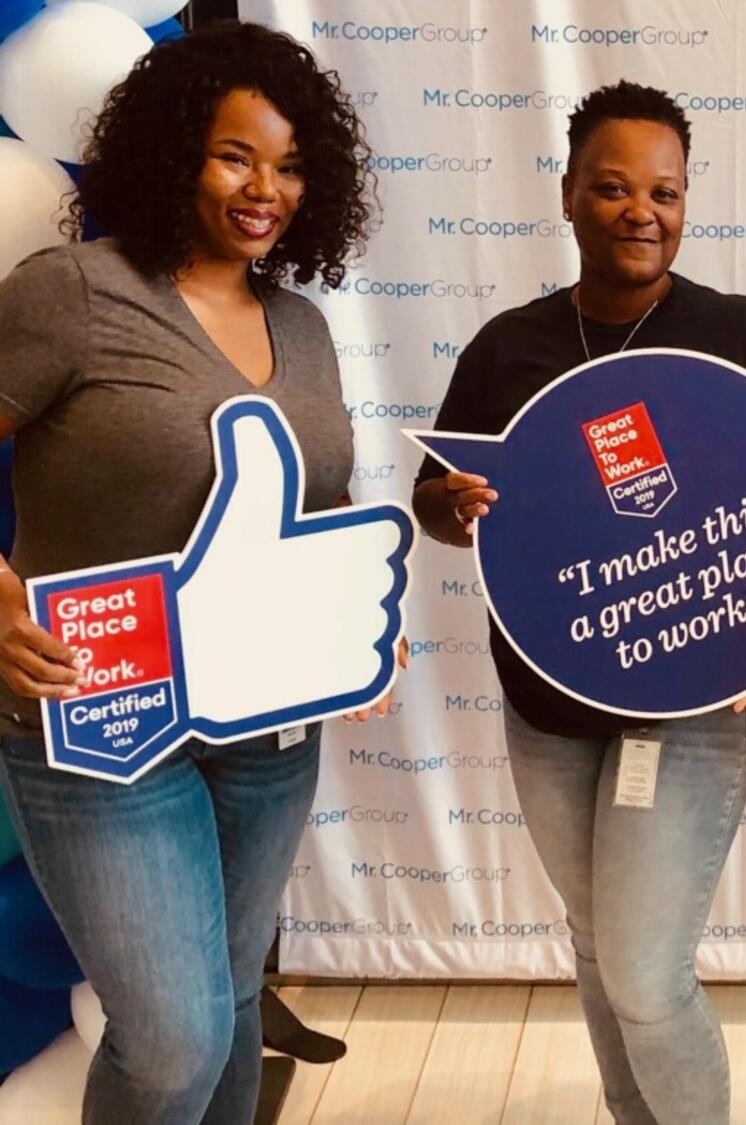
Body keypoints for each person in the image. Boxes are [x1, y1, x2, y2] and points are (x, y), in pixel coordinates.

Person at [411, 80, 746, 1125]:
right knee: (601, 945)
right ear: (567, 195)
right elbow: (437, 503)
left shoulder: (741, 338)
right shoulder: (507, 346)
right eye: (611, 187)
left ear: (688, 202)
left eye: (664, 190)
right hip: (549, 706)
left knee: (648, 976)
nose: (639, 210)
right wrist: (444, 503)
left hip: (690, 709)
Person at [0, 22, 379, 1125]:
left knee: (226, 1017)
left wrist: (359, 609)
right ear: (174, 153)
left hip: (266, 740)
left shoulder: (300, 326)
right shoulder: (72, 292)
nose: (267, 188)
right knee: (171, 1043)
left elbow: (318, 508)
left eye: (293, 164)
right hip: (102, 725)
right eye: (235, 154)